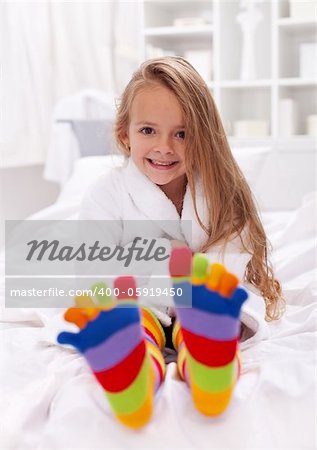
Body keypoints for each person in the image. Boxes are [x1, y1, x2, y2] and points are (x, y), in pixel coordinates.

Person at [57, 56, 285, 429]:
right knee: (134, 330)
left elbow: (229, 258)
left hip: (200, 305)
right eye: (148, 130)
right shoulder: (106, 194)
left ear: (204, 136)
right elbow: (95, 272)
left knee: (208, 325)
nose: (165, 147)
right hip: (138, 304)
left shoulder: (220, 190)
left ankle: (209, 361)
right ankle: (132, 378)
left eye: (182, 133)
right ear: (124, 133)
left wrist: (197, 295)